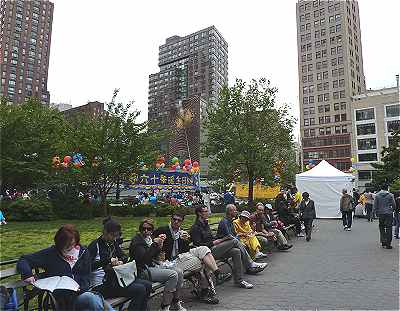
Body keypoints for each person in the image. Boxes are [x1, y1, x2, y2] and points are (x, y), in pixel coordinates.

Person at [17, 224, 115, 311]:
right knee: (94, 299)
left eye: (72, 244)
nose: (70, 248)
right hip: (63, 301)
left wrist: (79, 287)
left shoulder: (83, 252)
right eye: (66, 245)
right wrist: (27, 274)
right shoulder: (51, 253)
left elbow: (86, 276)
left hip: (81, 293)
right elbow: (24, 259)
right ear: (59, 243)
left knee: (93, 300)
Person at [152, 212, 231, 304]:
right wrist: (159, 241)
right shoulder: (163, 230)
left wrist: (186, 240)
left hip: (182, 256)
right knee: (201, 262)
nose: (176, 222)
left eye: (179, 220)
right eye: (174, 219)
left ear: (182, 222)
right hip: (170, 261)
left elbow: (185, 250)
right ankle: (205, 291)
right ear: (171, 219)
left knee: (204, 249)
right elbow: (151, 242)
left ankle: (217, 274)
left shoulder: (181, 232)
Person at [88, 218, 152, 311]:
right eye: (112, 235)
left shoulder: (113, 242)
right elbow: (88, 267)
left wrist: (121, 261)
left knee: (148, 285)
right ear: (105, 232)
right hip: (100, 285)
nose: (114, 238)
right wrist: (107, 261)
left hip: (115, 280)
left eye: (116, 236)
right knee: (140, 289)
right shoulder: (95, 245)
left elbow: (123, 256)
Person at [190, 205, 259, 289]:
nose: (208, 213)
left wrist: (221, 240)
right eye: (205, 211)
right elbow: (198, 245)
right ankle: (250, 263)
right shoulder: (195, 228)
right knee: (234, 241)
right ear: (199, 213)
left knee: (236, 251)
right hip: (206, 254)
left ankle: (239, 280)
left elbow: (212, 238)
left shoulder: (205, 224)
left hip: (215, 248)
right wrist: (217, 241)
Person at [129, 219, 187, 311]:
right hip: (142, 270)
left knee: (179, 272)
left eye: (149, 229)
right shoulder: (137, 241)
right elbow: (144, 259)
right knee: (172, 275)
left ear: (152, 230)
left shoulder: (149, 239)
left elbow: (156, 255)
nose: (146, 231)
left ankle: (176, 301)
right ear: (140, 229)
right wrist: (155, 244)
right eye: (143, 229)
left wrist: (160, 243)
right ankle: (165, 306)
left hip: (153, 266)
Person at [217, 204, 268, 271]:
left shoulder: (230, 221)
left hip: (232, 242)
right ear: (229, 212)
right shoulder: (225, 222)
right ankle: (251, 263)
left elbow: (235, 235)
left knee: (237, 250)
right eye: (234, 210)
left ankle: (248, 269)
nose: (236, 212)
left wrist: (246, 234)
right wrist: (240, 239)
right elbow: (229, 236)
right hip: (225, 244)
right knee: (239, 243)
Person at [373, 184, 396, 249]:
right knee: (389, 227)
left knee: (381, 227)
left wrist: (375, 212)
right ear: (387, 188)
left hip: (380, 213)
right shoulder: (391, 195)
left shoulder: (377, 195)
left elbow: (375, 205)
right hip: (389, 213)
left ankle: (383, 241)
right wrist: (393, 210)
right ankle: (388, 244)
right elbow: (394, 204)